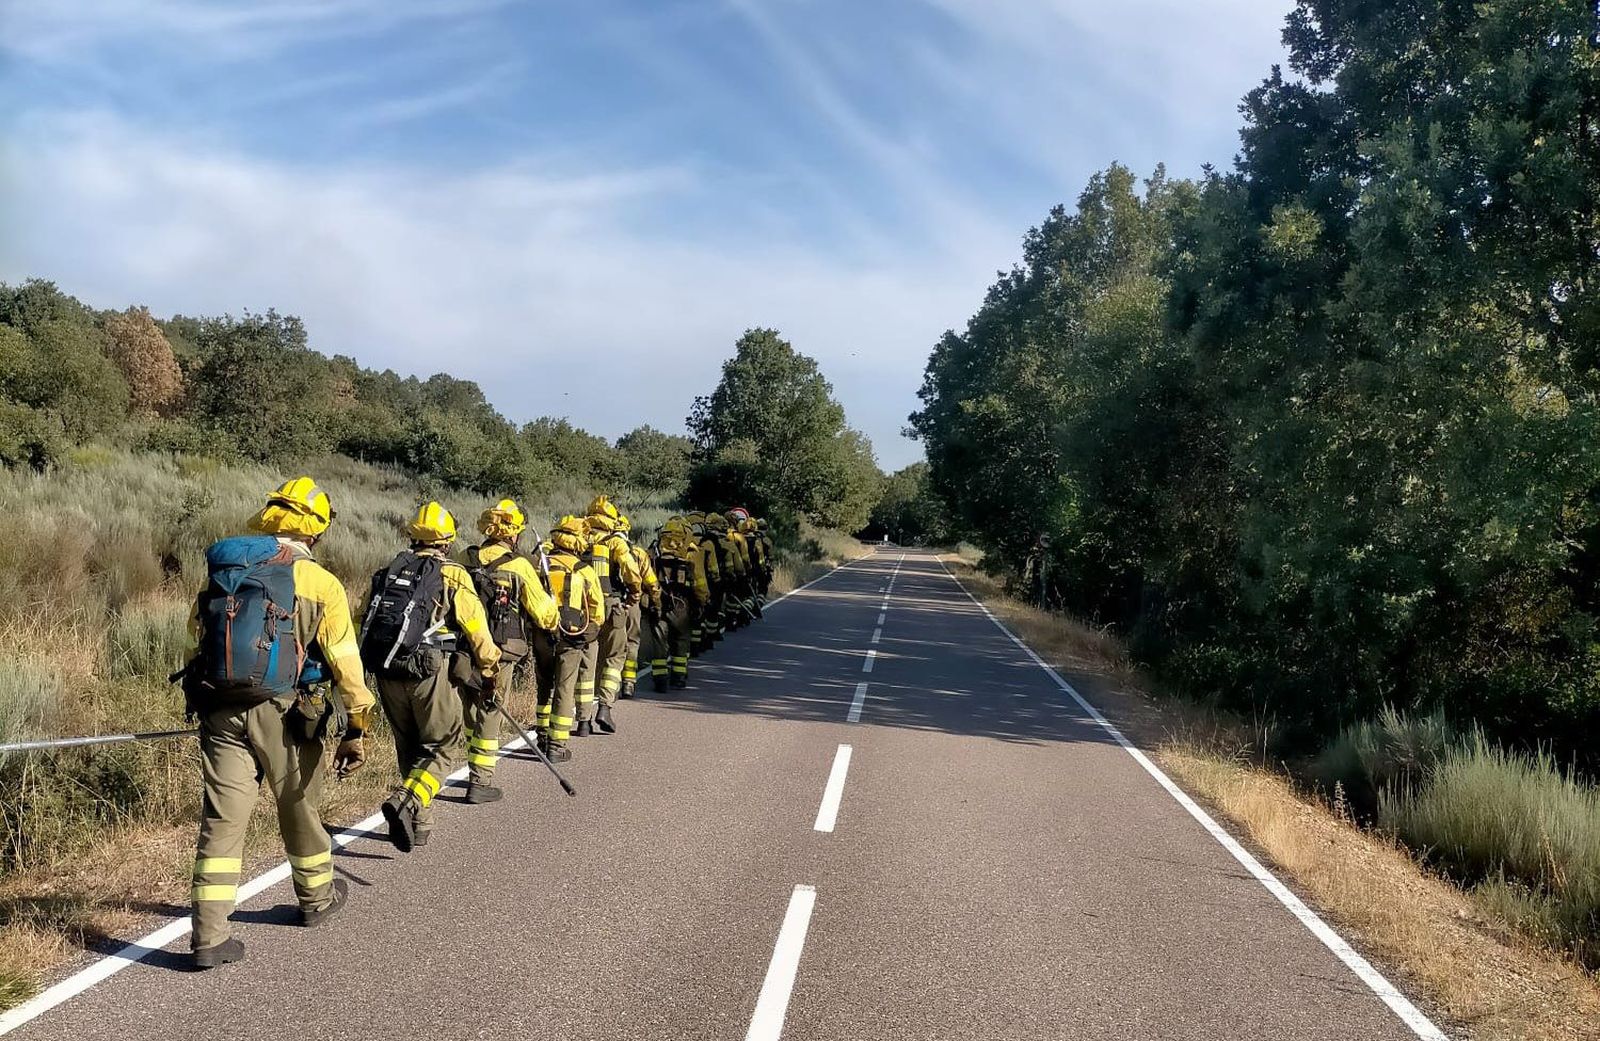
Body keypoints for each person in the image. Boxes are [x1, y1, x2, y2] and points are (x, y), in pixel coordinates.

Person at [183, 477, 377, 969]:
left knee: (222, 820)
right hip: (285, 713)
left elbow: (196, 632)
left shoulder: (229, 567)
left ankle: (209, 936)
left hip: (220, 707)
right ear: (316, 529)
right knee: (297, 806)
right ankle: (315, 899)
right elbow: (345, 665)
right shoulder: (321, 583)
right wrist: (358, 725)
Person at [362, 501, 501, 853]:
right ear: (448, 540)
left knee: (409, 745)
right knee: (444, 746)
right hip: (429, 669)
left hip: (387, 669)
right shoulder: (453, 575)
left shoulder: (388, 571)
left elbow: (363, 618)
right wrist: (489, 668)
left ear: (412, 535)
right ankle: (407, 801)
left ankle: (419, 825)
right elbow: (477, 630)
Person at [462, 499, 558, 791]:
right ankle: (480, 780)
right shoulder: (519, 565)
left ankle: (471, 762)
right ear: (513, 534)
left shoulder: (467, 558)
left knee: (470, 709)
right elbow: (543, 614)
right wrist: (553, 609)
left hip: (466, 647)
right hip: (502, 650)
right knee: (491, 709)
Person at [533, 515, 605, 759]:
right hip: (571, 637)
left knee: (545, 685)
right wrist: (588, 633)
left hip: (542, 635)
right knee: (564, 689)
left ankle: (542, 734)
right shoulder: (584, 571)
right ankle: (556, 745)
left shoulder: (540, 566)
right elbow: (597, 611)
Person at [579, 496, 641, 734]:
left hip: (583, 610)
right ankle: (605, 706)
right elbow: (632, 574)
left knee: (587, 661)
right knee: (615, 657)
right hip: (612, 605)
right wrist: (633, 597)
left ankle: (583, 721)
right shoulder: (616, 541)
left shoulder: (578, 537)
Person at [650, 518, 708, 691]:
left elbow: (646, 575)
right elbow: (700, 581)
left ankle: (660, 680)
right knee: (681, 640)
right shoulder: (691, 552)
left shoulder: (655, 550)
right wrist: (703, 600)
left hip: (659, 600)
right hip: (682, 603)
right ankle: (679, 677)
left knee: (660, 640)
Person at [616, 515, 660, 699]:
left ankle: (605, 684)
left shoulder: (597, 550)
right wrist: (656, 603)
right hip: (632, 602)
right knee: (632, 642)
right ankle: (628, 682)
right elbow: (650, 581)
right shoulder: (638, 553)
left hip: (609, 602)